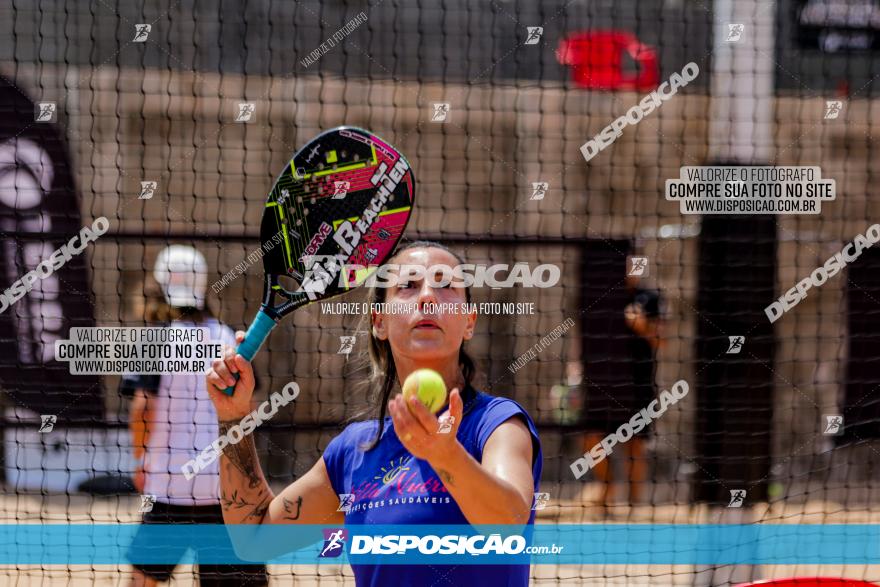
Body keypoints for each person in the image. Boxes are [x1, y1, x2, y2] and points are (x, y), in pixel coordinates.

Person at [206, 241, 543, 587]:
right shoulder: (353, 450)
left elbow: (510, 523)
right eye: (408, 286)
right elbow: (254, 538)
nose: (428, 297)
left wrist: (447, 458)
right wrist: (234, 417)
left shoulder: (498, 423)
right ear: (379, 322)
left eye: (445, 285)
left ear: (468, 322)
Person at [122, 245, 268, 587]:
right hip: (225, 487)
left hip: (172, 485)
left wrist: (141, 460)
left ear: (158, 286)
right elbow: (247, 407)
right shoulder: (231, 338)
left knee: (142, 581)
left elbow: (143, 406)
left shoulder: (153, 340)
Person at [581, 274, 663, 512]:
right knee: (591, 437)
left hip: (638, 384)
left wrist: (642, 325)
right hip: (602, 383)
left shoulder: (649, 298)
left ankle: (634, 505)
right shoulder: (601, 297)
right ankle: (607, 489)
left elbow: (662, 340)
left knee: (635, 444)